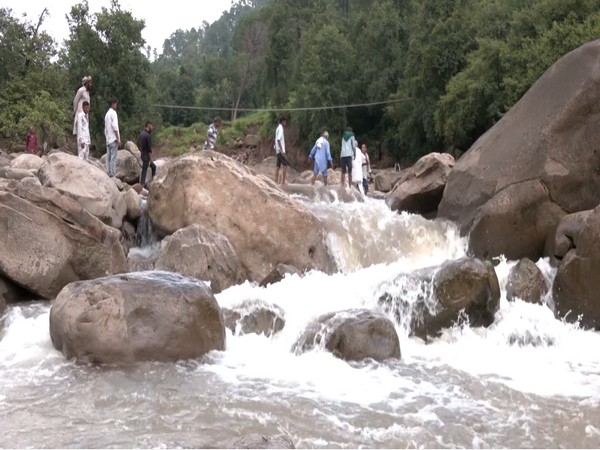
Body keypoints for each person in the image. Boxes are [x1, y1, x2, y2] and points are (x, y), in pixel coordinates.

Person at [104, 97, 121, 177]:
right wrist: (118, 138)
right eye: (116, 104)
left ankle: (109, 172)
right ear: (113, 104)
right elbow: (115, 126)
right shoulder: (113, 113)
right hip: (113, 139)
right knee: (113, 157)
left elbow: (106, 128)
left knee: (109, 157)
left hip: (108, 139)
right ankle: (112, 174)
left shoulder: (107, 114)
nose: (116, 106)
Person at [139, 120, 157, 187]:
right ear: (148, 125)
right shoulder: (147, 135)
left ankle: (143, 184)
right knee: (145, 170)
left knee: (151, 167)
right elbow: (149, 149)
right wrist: (150, 159)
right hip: (146, 156)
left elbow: (139, 145)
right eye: (152, 126)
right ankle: (143, 185)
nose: (152, 127)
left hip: (142, 154)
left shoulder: (141, 134)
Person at [274, 116, 288, 185]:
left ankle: (275, 181)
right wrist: (282, 150)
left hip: (277, 150)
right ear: (282, 122)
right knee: (285, 165)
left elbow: (276, 139)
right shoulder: (281, 128)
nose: (286, 123)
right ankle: (283, 181)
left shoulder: (278, 128)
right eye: (285, 122)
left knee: (278, 165)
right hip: (280, 150)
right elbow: (279, 139)